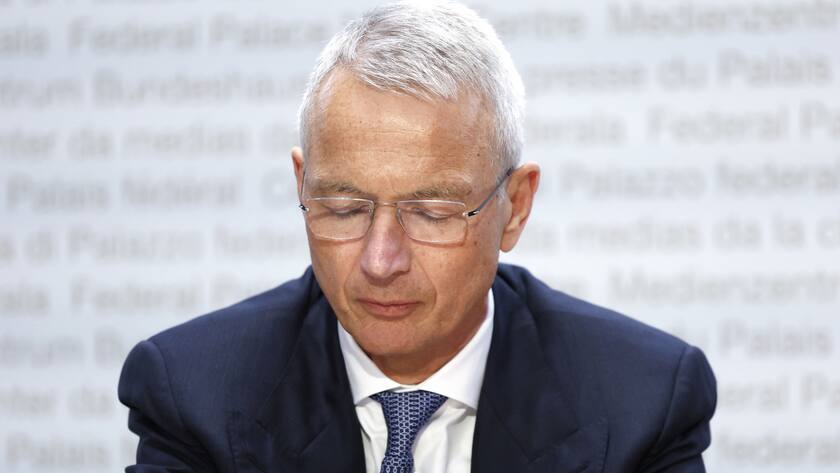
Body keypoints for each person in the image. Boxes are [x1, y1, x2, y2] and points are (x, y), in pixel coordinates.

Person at [118, 1, 717, 472]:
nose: (381, 261)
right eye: (344, 207)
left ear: (515, 208)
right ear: (302, 184)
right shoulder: (192, 393)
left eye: (431, 212)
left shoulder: (642, 402)